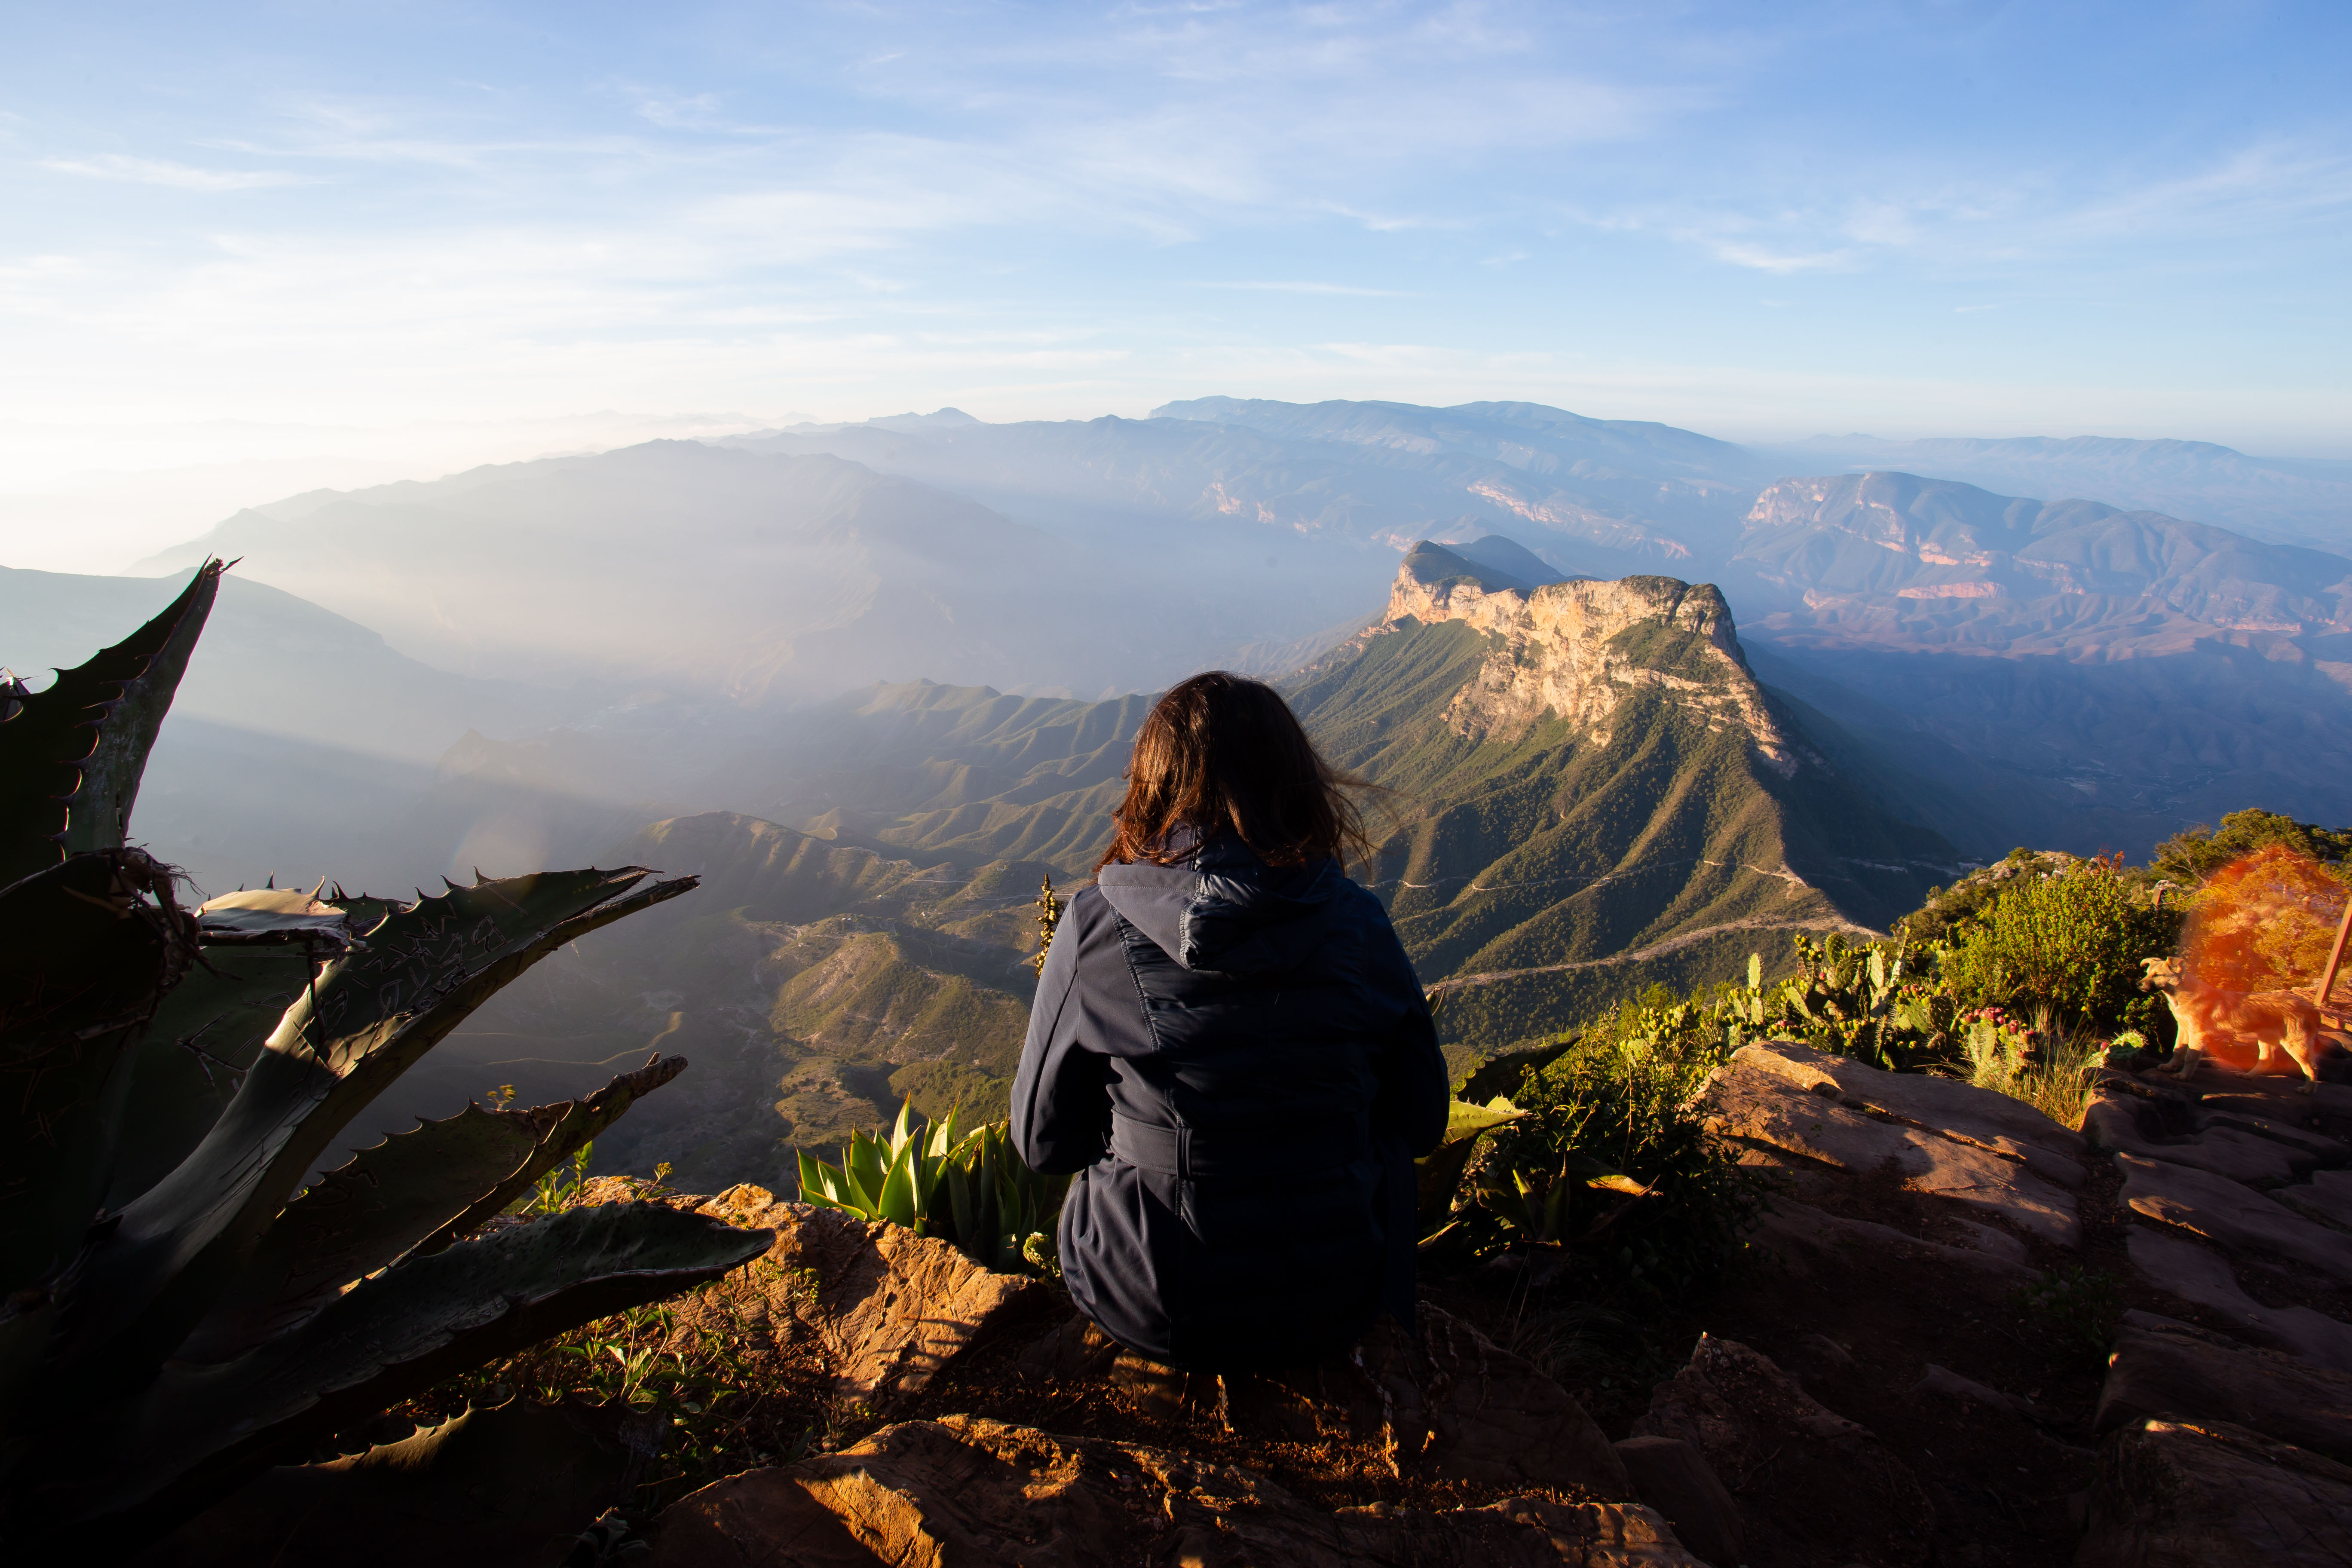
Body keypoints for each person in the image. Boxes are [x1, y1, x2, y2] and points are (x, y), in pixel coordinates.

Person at [1010, 671, 1448, 1372]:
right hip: (1338, 1297)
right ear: (1298, 783)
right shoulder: (1360, 923)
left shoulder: (1098, 927)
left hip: (1152, 1303)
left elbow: (1042, 1144)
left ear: (1152, 787)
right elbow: (1422, 1122)